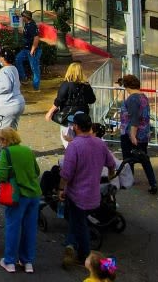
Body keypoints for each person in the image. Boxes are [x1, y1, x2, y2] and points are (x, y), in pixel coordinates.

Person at [58, 112, 118, 269]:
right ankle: (70, 245)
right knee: (77, 221)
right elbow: (111, 164)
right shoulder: (99, 143)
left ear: (76, 127)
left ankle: (85, 255)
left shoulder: (74, 146)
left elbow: (66, 173)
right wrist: (111, 175)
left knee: (80, 224)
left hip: (77, 195)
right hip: (93, 195)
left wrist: (61, 189)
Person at [0, 127, 41, 273]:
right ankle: (27, 262)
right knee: (30, 228)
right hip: (33, 194)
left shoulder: (6, 152)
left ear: (5, 140)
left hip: (18, 196)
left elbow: (1, 175)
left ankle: (9, 262)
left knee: (13, 228)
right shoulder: (27, 150)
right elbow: (37, 171)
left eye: (0, 140)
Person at [117, 74, 158, 194]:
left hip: (131, 133)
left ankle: (129, 180)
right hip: (144, 133)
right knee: (144, 159)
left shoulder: (132, 99)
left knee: (128, 158)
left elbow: (134, 118)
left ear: (127, 86)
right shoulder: (143, 97)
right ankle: (153, 182)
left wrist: (132, 135)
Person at [46, 62, 98, 149]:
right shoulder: (86, 85)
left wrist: (50, 112)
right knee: (82, 139)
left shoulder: (66, 84)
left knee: (67, 139)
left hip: (68, 116)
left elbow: (59, 100)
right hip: (83, 116)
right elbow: (92, 100)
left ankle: (73, 156)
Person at [0, 48, 26, 130]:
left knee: (2, 134)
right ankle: (14, 143)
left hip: (7, 105)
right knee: (12, 133)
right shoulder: (13, 68)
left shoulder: (4, 71)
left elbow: (6, 86)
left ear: (3, 58)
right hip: (18, 103)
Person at [14, 10, 42, 91]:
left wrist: (33, 50)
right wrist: (17, 14)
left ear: (26, 17)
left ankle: (36, 87)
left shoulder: (32, 26)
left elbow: (36, 38)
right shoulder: (27, 24)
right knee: (17, 59)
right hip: (26, 49)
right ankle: (24, 78)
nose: (21, 18)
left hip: (33, 50)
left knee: (34, 68)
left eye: (22, 17)